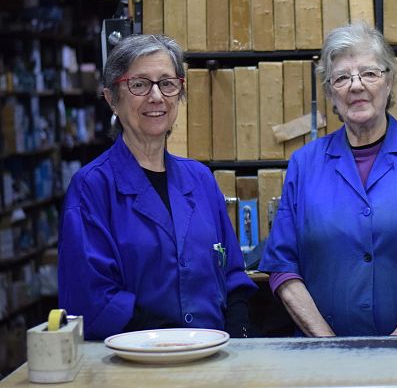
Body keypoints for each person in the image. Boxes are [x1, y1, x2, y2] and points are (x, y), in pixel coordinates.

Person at [260, 22, 397, 336]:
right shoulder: (305, 164)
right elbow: (281, 266)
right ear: (330, 92)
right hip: (327, 361)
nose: (356, 86)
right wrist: (327, 344)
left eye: (369, 73)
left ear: (390, 80)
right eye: (342, 77)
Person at [58, 34, 256, 340]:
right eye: (139, 84)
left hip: (213, 358)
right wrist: (175, 340)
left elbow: (232, 274)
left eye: (167, 83)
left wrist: (238, 334)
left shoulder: (200, 179)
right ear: (112, 98)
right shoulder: (91, 187)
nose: (156, 96)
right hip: (135, 365)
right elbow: (92, 298)